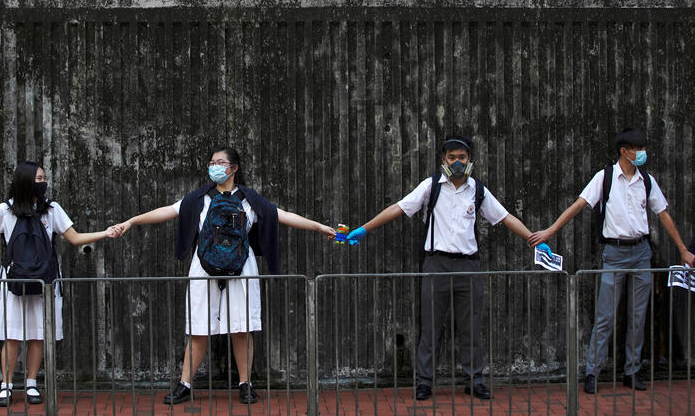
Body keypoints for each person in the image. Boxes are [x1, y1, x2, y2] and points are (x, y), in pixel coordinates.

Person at [113, 146, 335, 405]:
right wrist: (132, 221)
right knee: (198, 327)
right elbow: (167, 210)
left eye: (220, 162)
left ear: (234, 168)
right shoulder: (199, 199)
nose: (214, 167)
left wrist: (319, 227)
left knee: (242, 327)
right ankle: (185, 384)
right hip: (204, 266)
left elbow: (282, 215)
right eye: (211, 163)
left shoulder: (250, 199)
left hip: (241, 267)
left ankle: (245, 383)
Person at [346, 135, 533, 401]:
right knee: (431, 327)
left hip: (468, 265)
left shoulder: (478, 190)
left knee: (471, 327)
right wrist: (365, 229)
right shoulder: (431, 186)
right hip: (436, 264)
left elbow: (505, 217)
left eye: (462, 158)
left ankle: (474, 379)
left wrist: (534, 240)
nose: (457, 163)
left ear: (470, 160)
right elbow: (399, 208)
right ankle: (425, 381)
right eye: (452, 157)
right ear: (443, 160)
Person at [0, 161, 118, 407]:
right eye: (38, 179)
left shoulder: (52, 209)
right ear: (24, 181)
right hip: (13, 281)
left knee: (39, 334)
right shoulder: (5, 211)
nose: (43, 183)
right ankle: (6, 386)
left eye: (44, 178)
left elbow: (75, 237)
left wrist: (105, 233)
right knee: (11, 335)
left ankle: (31, 383)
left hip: (45, 281)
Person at [529, 127, 694, 394]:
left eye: (643, 148)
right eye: (637, 149)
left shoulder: (646, 181)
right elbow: (579, 205)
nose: (641, 153)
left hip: (642, 252)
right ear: (624, 151)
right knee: (605, 315)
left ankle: (632, 370)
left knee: (638, 316)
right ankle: (592, 371)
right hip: (614, 254)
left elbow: (663, 214)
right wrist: (551, 230)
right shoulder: (604, 178)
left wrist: (683, 250)